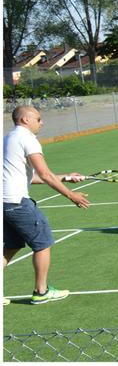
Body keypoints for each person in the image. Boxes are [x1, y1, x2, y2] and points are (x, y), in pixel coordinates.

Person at [3, 105, 90, 305]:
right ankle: (41, 292)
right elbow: (44, 174)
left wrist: (66, 177)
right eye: (39, 119)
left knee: (11, 247)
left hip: (4, 204)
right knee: (43, 243)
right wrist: (71, 195)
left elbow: (30, 177)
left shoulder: (7, 139)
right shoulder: (27, 139)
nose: (42, 123)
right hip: (17, 202)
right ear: (25, 120)